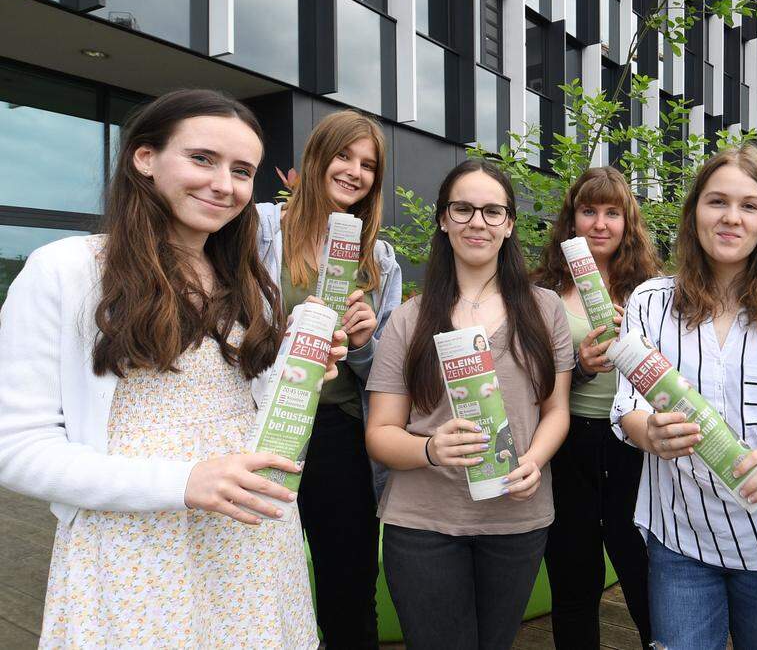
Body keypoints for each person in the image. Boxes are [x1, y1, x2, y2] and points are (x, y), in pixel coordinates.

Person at [0, 89, 346, 647]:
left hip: (250, 543)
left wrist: (299, 369)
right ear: (145, 158)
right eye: (202, 158)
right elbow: (15, 449)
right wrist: (181, 482)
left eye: (241, 170)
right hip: (137, 552)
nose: (224, 184)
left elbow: (246, 407)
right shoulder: (67, 270)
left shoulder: (250, 283)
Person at [613, 145, 757, 650]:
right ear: (694, 215)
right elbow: (629, 406)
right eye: (717, 202)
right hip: (681, 538)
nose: (732, 218)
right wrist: (650, 433)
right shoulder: (650, 302)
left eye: (749, 206)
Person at [364, 160, 573, 650]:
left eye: (492, 211)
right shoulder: (408, 319)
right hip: (423, 522)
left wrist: (534, 461)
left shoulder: (545, 310)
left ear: (510, 224)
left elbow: (556, 409)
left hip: (517, 517)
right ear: (443, 219)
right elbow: (381, 432)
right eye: (463, 209)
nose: (477, 222)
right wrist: (430, 449)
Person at [255, 109, 402, 648]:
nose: (354, 172)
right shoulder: (262, 231)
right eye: (344, 155)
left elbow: (383, 373)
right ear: (316, 158)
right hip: (266, 423)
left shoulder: (378, 258)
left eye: (368, 165)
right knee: (258, 571)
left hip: (338, 430)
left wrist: (363, 344)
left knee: (349, 583)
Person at [532, 166, 661, 649]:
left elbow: (676, 377)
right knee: (573, 579)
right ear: (571, 220)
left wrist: (640, 347)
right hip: (568, 443)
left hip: (633, 443)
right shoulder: (541, 290)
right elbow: (529, 382)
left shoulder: (651, 291)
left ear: (629, 222)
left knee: (643, 574)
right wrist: (579, 367)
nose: (600, 224)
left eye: (612, 213)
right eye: (589, 211)